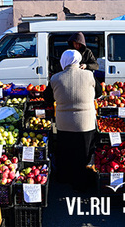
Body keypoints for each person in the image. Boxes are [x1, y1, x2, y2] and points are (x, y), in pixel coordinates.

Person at [44, 49, 102, 192]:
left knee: (66, 152)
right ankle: (82, 181)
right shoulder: (89, 75)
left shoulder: (56, 78)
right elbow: (99, 93)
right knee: (83, 153)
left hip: (64, 124)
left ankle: (65, 178)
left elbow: (48, 97)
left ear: (63, 61)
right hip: (86, 123)